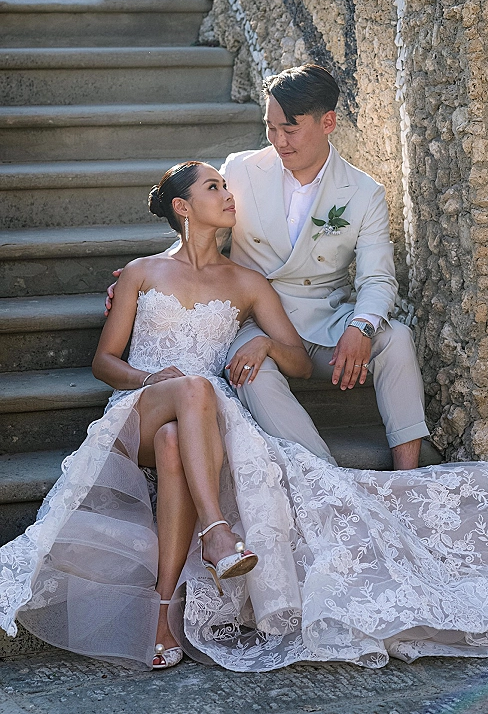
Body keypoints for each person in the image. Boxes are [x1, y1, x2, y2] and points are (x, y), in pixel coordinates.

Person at [2, 160, 488, 673]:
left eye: (228, 185)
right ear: (183, 207)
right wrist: (149, 379)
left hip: (200, 425)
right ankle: (217, 530)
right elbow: (104, 361)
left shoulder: (246, 283)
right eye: (214, 187)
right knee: (189, 392)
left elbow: (300, 361)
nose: (229, 194)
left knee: (182, 438)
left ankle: (163, 613)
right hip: (141, 408)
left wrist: (266, 348)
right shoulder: (140, 273)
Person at [107, 64, 429, 471]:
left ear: (327, 121)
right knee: (250, 370)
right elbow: (204, 226)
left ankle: (408, 472)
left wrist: (360, 326)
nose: (278, 141)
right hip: (255, 320)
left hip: (328, 322)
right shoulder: (241, 168)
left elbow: (378, 277)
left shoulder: (364, 193)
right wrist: (156, 274)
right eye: (270, 127)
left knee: (397, 337)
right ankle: (325, 476)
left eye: (289, 129)